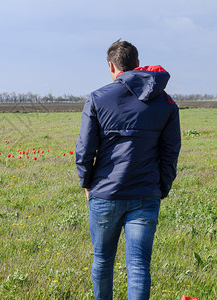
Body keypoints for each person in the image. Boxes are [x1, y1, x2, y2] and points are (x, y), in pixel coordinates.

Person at [75, 40, 181, 300]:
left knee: (102, 260)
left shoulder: (98, 98)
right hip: (146, 195)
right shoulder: (166, 103)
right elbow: (170, 153)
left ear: (111, 66)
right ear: (137, 63)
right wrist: (161, 188)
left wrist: (86, 184)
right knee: (139, 266)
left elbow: (85, 151)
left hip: (105, 194)